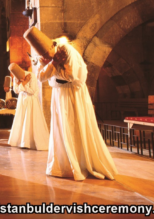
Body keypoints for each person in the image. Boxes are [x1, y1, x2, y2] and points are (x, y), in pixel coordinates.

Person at [24, 26, 118, 181]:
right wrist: (50, 63)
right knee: (61, 128)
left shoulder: (66, 51)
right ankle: (63, 165)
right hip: (59, 94)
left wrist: (52, 65)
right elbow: (40, 77)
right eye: (44, 57)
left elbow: (72, 75)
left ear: (52, 46)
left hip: (72, 94)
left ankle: (80, 163)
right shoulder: (52, 57)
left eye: (47, 55)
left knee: (74, 126)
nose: (46, 58)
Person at [8, 63, 49, 150]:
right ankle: (21, 141)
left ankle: (29, 142)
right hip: (22, 100)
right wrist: (23, 84)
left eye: (21, 78)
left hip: (31, 101)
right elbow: (16, 90)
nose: (20, 79)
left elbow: (33, 91)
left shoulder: (31, 76)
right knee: (21, 119)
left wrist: (23, 84)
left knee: (30, 119)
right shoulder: (15, 77)